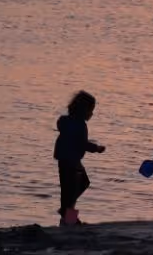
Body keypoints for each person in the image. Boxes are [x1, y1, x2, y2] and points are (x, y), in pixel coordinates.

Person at [54, 90, 105, 226]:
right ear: (84, 110)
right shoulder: (80, 125)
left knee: (74, 188)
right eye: (91, 110)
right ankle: (68, 217)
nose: (92, 114)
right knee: (73, 189)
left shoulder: (65, 121)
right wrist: (97, 148)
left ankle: (66, 213)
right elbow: (82, 144)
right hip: (72, 162)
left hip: (65, 161)